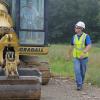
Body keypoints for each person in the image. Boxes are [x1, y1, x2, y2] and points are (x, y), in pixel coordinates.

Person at [67, 21, 92, 91]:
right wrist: (68, 55)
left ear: (80, 28)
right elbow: (71, 46)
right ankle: (79, 85)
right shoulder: (74, 37)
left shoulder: (86, 36)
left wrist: (84, 52)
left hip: (84, 58)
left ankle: (81, 82)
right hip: (76, 57)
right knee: (77, 70)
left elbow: (89, 45)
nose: (75, 28)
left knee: (83, 72)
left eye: (76, 27)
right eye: (75, 27)